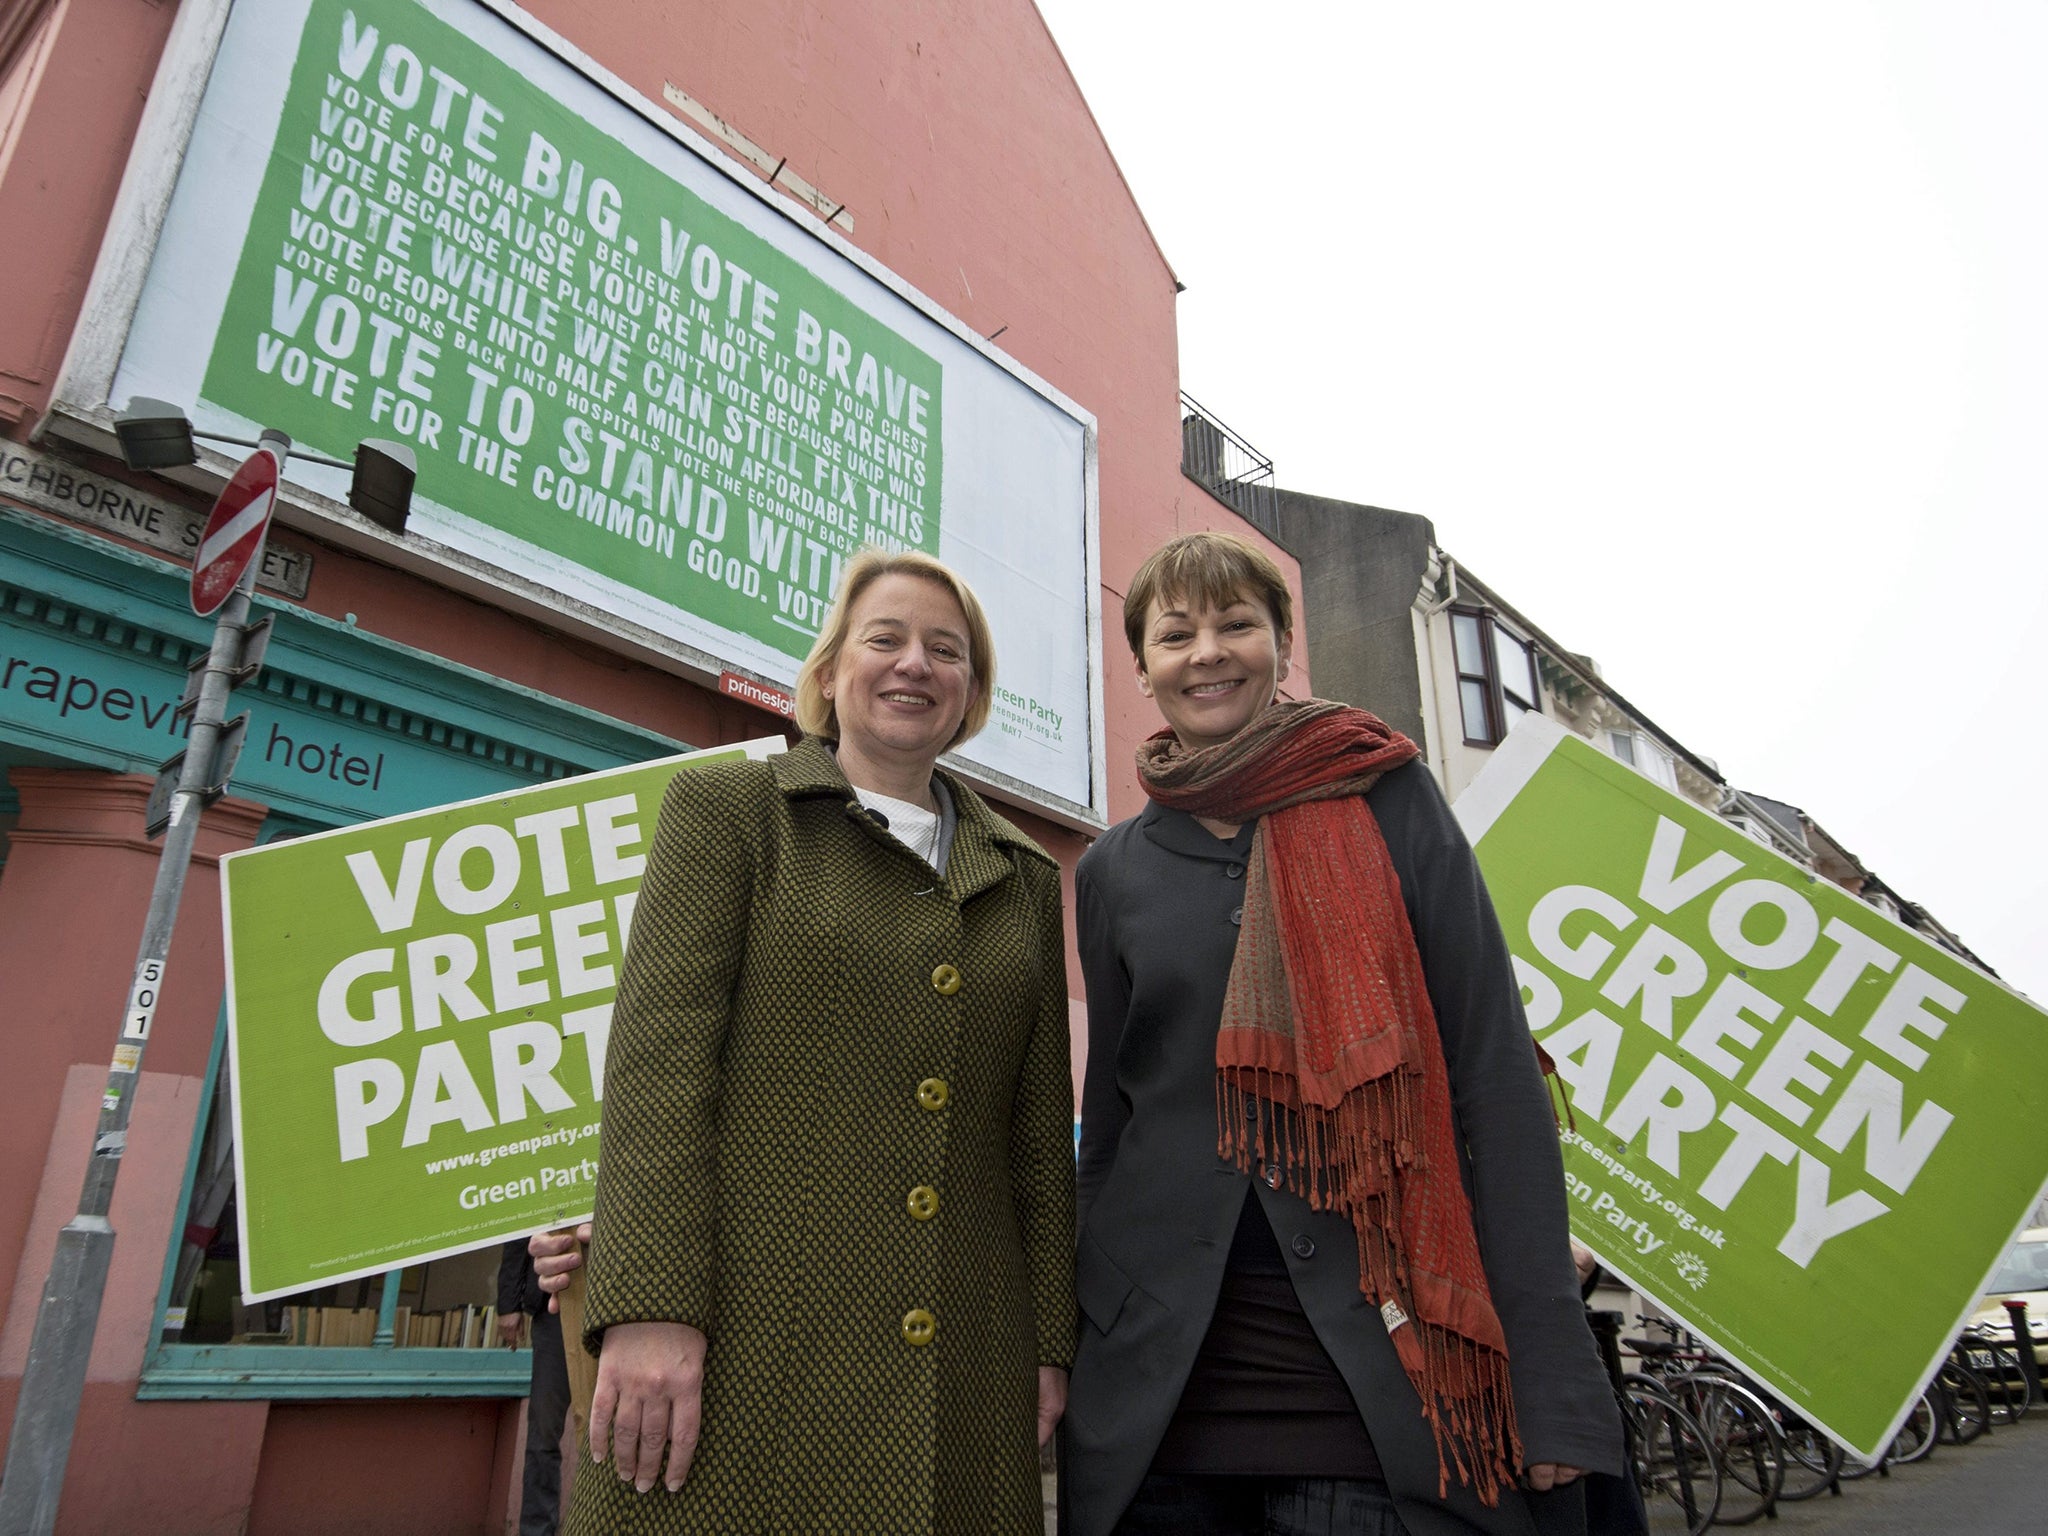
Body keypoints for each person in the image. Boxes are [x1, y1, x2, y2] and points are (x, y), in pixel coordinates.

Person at [1061, 531, 1624, 1536]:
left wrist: (1552, 1382)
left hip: (1376, 1358)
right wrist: (1068, 1342)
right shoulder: (1112, 870)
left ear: (1281, 645)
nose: (1207, 652)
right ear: (1139, 666)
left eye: (1236, 623)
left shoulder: (1390, 799)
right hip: (1158, 1377)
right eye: (1174, 633)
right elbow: (1107, 1124)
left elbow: (1491, 1076)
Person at [544, 548, 1076, 1535]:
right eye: (886, 638)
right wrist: (651, 1307)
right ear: (830, 672)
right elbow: (661, 1071)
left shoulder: (1025, 877)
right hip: (744, 1344)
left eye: (945, 651)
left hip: (964, 1364)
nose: (914, 663)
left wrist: (1045, 1344)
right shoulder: (730, 815)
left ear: (970, 693)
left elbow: (1039, 1144)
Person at [499, 1239, 570, 1536]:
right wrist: (509, 1302)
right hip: (554, 1305)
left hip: (619, 1303)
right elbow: (521, 1222)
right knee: (544, 1430)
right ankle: (536, 1531)